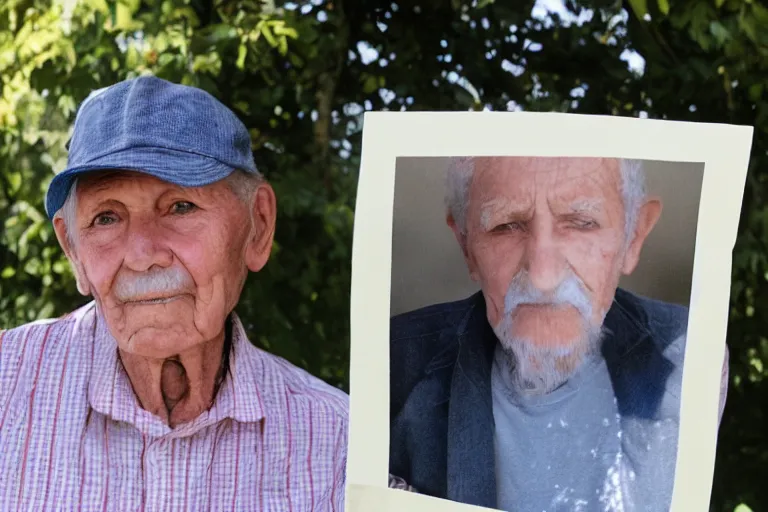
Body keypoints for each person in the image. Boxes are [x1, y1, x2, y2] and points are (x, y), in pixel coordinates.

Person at [0, 76, 348, 511]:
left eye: (181, 207)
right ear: (73, 250)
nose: (143, 256)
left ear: (257, 226)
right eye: (106, 218)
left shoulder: (340, 447)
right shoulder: (6, 386)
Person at [388, 156, 729, 512]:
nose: (543, 277)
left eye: (581, 223)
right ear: (466, 245)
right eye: (506, 225)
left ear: (633, 237)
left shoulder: (694, 355)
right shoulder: (392, 362)